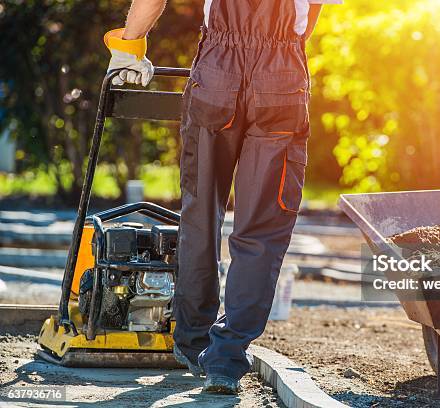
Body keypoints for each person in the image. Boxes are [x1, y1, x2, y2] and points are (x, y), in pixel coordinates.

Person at [104, 0, 341, 394]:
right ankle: (226, 357)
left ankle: (194, 338)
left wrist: (129, 46)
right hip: (281, 78)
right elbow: (311, 15)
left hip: (217, 71)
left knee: (201, 211)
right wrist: (280, 50)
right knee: (262, 225)